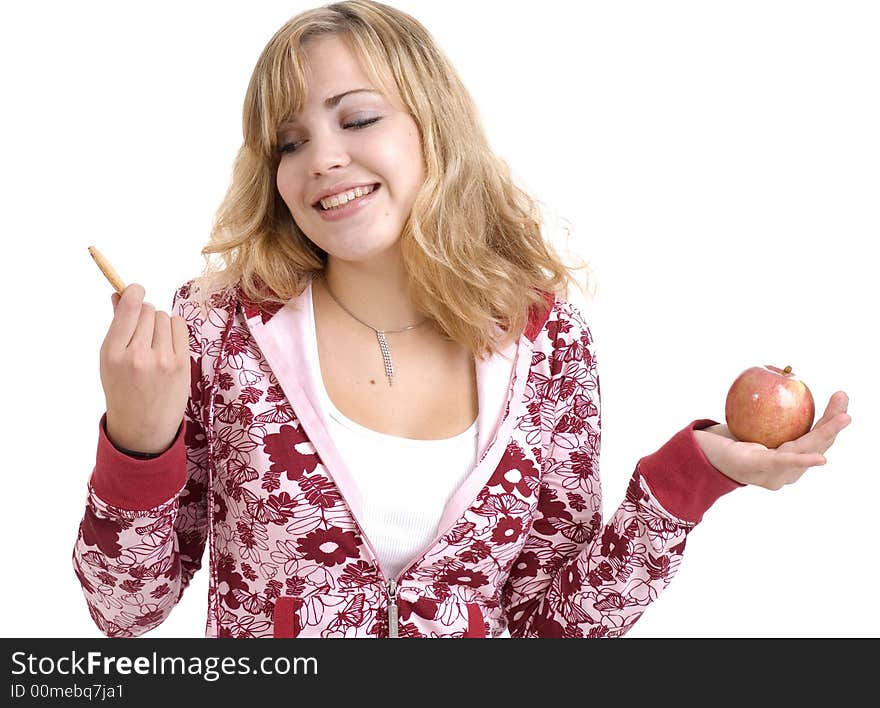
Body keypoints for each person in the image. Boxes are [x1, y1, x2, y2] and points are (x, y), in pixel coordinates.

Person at [72, 0, 851, 639]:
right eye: (289, 141)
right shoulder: (219, 330)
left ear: (432, 126)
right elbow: (125, 610)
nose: (322, 160)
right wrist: (140, 443)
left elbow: (556, 625)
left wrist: (694, 476)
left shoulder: (546, 342)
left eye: (358, 119)